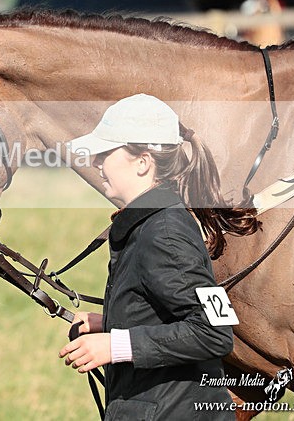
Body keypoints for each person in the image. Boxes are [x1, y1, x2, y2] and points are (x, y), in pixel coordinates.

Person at [59, 93, 260, 420]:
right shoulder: (151, 223)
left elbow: (216, 332)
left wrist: (115, 346)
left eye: (105, 153)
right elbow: (168, 311)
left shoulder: (164, 232)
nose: (96, 163)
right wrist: (107, 325)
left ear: (142, 162)